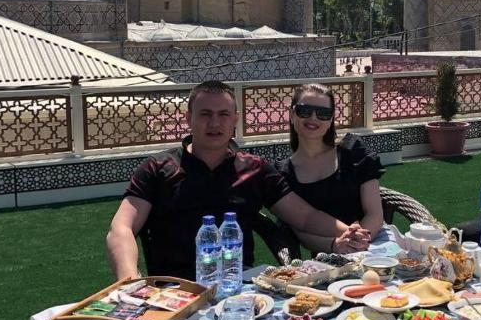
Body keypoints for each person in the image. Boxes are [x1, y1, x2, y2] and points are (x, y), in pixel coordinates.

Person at [105, 81, 370, 280]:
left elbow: (304, 217)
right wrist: (130, 282)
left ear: (235, 120)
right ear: (189, 119)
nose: (215, 123)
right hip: (175, 288)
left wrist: (347, 231)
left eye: (223, 115)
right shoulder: (158, 168)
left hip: (239, 283)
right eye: (205, 114)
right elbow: (121, 229)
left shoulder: (254, 168)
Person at [275, 83, 385, 254]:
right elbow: (300, 231)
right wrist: (336, 245)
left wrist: (359, 242)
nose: (313, 118)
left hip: (373, 244)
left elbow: (375, 214)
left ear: (331, 119)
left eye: (323, 113)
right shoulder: (284, 173)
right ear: (291, 114)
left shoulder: (353, 153)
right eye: (305, 110)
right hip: (329, 257)